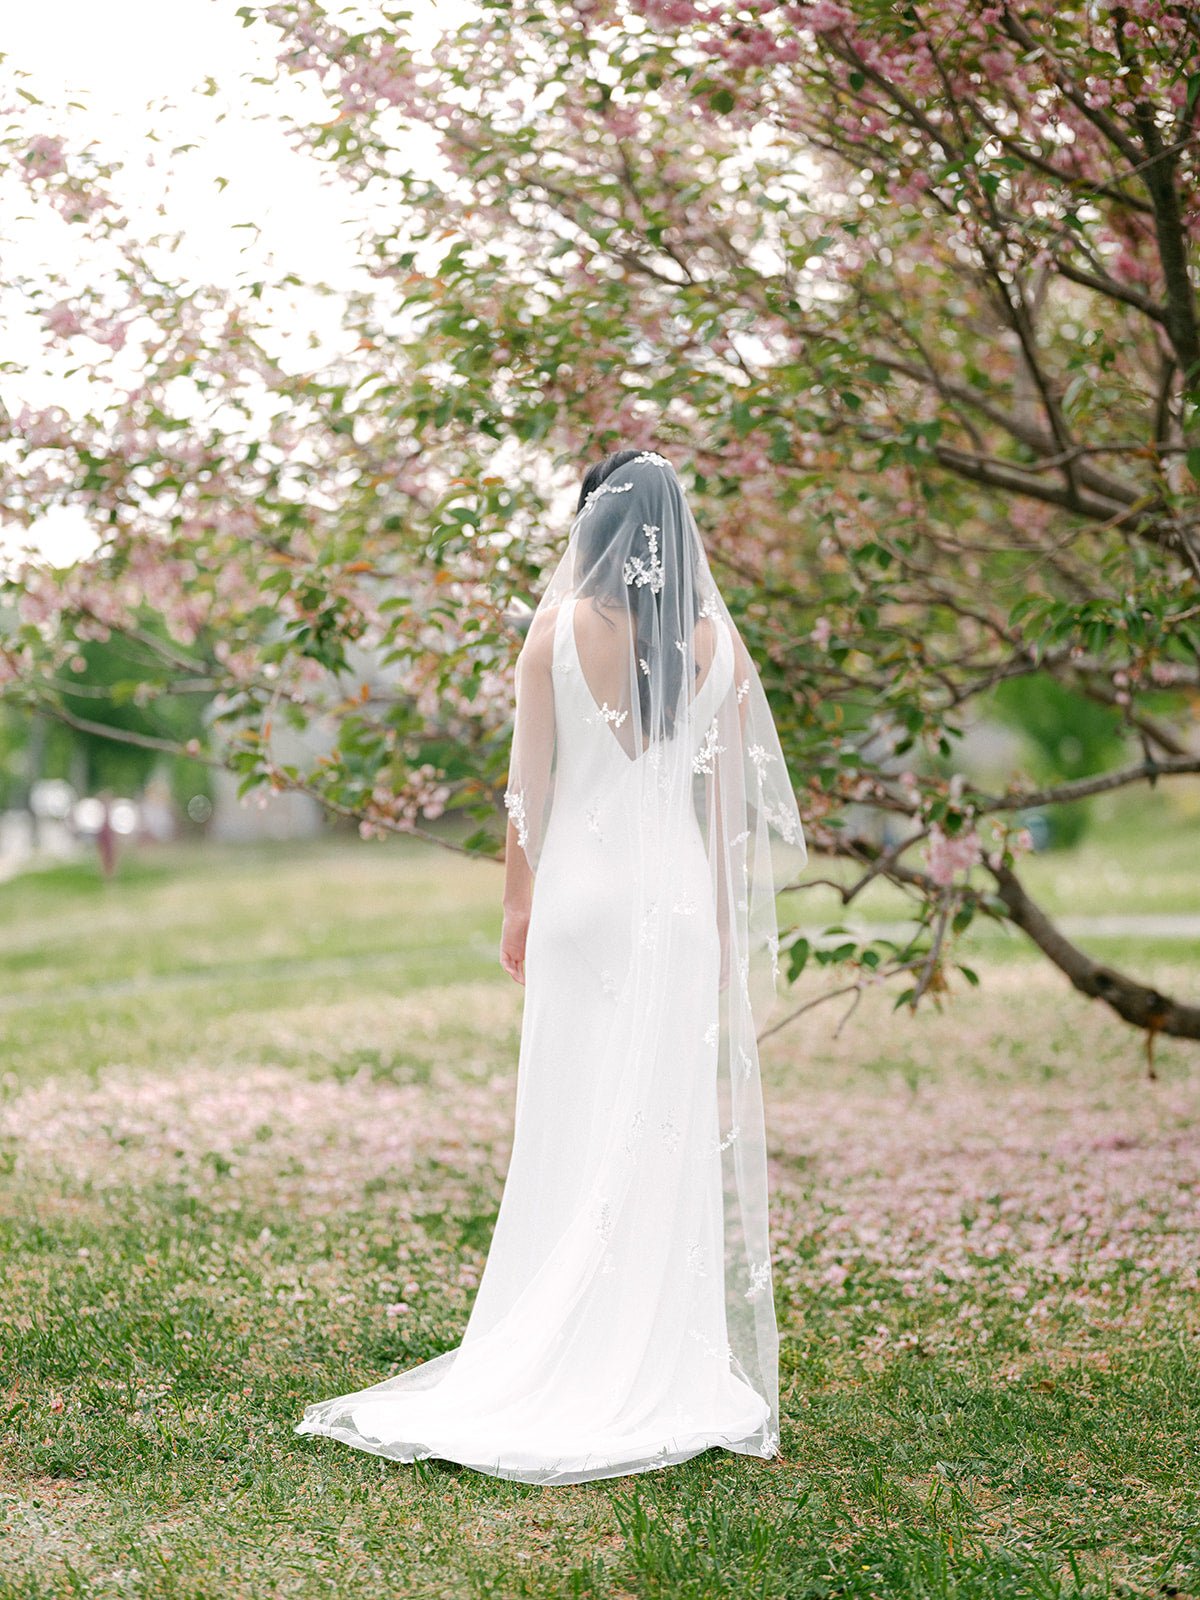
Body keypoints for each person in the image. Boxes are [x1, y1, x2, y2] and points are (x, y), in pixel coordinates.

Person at [295, 448, 806, 1484]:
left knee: (570, 1119)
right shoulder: (720, 648)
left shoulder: (556, 631)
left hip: (580, 902)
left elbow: (528, 795)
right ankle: (656, 1353)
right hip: (673, 907)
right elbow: (727, 818)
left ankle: (558, 1335)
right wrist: (713, 925)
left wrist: (515, 904)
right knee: (657, 1126)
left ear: (596, 529)